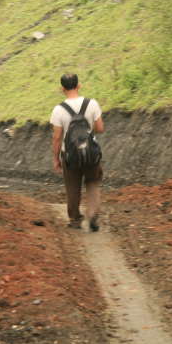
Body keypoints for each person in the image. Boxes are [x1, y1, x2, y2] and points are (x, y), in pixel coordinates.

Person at [50, 73, 104, 231]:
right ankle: (93, 214)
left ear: (62, 89)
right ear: (78, 85)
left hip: (70, 155)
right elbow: (100, 128)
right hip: (91, 153)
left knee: (72, 187)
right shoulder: (92, 104)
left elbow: (57, 138)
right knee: (93, 182)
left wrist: (56, 158)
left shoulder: (58, 110)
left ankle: (75, 220)